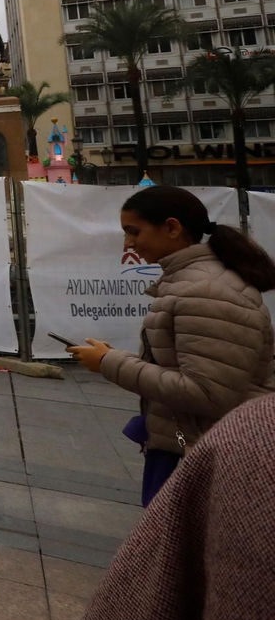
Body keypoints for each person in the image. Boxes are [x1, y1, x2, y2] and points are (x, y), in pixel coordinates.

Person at [66, 185, 274, 505]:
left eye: (134, 231)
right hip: (189, 446)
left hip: (206, 454)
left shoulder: (206, 290)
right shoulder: (189, 282)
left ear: (172, 228)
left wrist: (108, 362)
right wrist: (111, 357)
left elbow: (206, 392)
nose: (128, 244)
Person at [75, 394, 275, 620]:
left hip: (188, 434)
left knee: (163, 520)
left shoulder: (256, 436)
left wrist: (110, 363)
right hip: (177, 431)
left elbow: (204, 388)